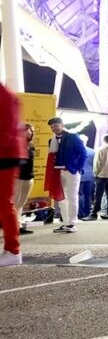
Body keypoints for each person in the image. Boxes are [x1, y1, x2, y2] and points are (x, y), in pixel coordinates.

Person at [0, 83, 27, 266]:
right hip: (8, 152)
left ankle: (13, 250)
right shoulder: (6, 93)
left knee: (4, 201)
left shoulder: (4, 95)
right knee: (4, 202)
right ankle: (12, 249)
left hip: (5, 153)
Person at [47, 117, 87, 233]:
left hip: (71, 171)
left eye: (56, 125)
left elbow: (83, 154)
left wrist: (77, 168)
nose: (54, 128)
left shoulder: (72, 137)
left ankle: (72, 223)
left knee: (72, 197)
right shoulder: (52, 140)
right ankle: (65, 222)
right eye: (52, 127)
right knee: (60, 198)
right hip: (57, 172)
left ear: (62, 124)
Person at [83, 135, 108, 221]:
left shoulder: (100, 149)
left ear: (102, 140)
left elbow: (97, 163)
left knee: (98, 195)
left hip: (101, 175)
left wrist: (95, 173)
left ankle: (94, 213)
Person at [15, 124, 36, 235]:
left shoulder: (31, 145)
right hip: (18, 178)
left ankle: (18, 225)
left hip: (29, 177)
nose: (29, 132)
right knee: (15, 203)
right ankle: (13, 226)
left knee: (21, 203)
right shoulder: (16, 143)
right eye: (27, 130)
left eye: (31, 131)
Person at [77, 135, 95, 220]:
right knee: (88, 195)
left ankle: (81, 213)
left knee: (80, 195)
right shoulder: (92, 152)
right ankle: (88, 212)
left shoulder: (75, 151)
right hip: (90, 176)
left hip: (79, 176)